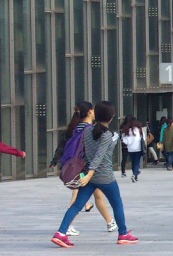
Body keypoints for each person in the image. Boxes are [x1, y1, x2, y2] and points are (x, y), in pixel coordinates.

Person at [51, 101, 137, 247]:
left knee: (77, 205)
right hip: (104, 176)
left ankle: (61, 233)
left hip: (88, 177)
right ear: (111, 117)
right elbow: (99, 156)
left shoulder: (87, 131)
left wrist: (86, 175)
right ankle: (123, 234)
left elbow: (84, 153)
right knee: (116, 203)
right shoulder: (107, 135)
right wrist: (90, 174)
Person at [56, 102, 115, 237]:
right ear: (89, 112)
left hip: (79, 166)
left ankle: (110, 222)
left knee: (97, 194)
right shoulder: (88, 129)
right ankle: (68, 226)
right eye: (93, 110)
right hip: (85, 167)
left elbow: (64, 145)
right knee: (77, 196)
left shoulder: (76, 127)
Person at [120, 116, 146, 182]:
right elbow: (144, 138)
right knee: (136, 163)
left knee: (133, 162)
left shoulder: (127, 130)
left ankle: (135, 176)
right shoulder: (139, 130)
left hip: (130, 149)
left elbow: (125, 141)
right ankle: (134, 175)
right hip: (138, 149)